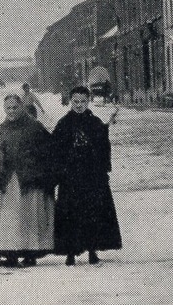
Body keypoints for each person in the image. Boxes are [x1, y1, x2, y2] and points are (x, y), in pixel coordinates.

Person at [0, 92, 57, 268]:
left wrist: (40, 167)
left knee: (28, 217)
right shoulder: (3, 127)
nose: (11, 111)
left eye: (15, 107)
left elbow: (49, 147)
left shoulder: (33, 126)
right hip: (9, 180)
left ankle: (30, 254)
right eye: (8, 108)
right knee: (10, 218)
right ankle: (10, 254)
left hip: (29, 180)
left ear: (21, 107)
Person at [51, 84, 123, 265]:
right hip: (70, 177)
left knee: (92, 213)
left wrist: (103, 168)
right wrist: (59, 170)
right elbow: (55, 147)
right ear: (70, 101)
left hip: (91, 176)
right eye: (75, 101)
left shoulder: (94, 122)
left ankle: (92, 250)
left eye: (83, 101)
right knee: (71, 213)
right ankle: (70, 252)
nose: (79, 105)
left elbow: (102, 144)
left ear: (88, 102)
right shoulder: (64, 123)